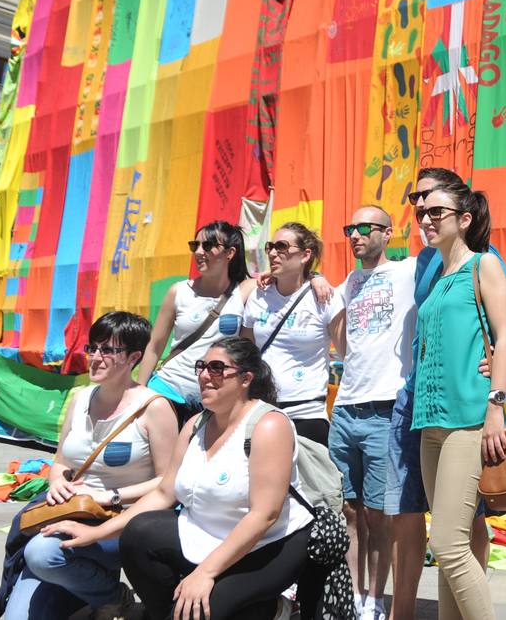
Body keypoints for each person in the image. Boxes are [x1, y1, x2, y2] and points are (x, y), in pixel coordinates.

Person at [47, 337, 323, 618]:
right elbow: (164, 494)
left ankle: (270, 608)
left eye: (216, 368)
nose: (205, 375)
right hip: (205, 535)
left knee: (198, 609)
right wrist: (95, 533)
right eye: (201, 367)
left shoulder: (269, 425)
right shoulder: (195, 425)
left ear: (245, 378)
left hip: (265, 546)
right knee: (138, 534)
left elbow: (264, 514)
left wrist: (205, 573)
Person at [385, 167, 506, 620]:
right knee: (451, 548)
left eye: (436, 210)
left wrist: (496, 406)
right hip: (430, 424)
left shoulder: (482, 262)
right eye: (421, 210)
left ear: (464, 218)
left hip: (469, 419)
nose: (425, 217)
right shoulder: (437, 272)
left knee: (447, 544)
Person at [4, 312, 178, 620]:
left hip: (122, 523)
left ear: (134, 357)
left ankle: (113, 597)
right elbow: (60, 461)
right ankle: (93, 587)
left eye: (108, 350)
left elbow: (168, 482)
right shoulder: (80, 398)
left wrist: (110, 496)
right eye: (93, 347)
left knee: (41, 553)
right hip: (69, 514)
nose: (95, 357)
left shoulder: (155, 408)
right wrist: (56, 481)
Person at [330, 205, 418, 620]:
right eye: (351, 228)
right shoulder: (348, 282)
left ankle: (375, 600)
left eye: (365, 228)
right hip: (345, 407)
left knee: (379, 512)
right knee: (347, 509)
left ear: (388, 233)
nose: (355, 235)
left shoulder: (409, 271)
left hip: (386, 409)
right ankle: (352, 594)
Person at [137, 222, 256, 425]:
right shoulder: (179, 291)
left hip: (213, 399)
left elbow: (288, 278)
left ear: (230, 253)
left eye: (208, 246)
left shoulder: (245, 291)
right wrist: (139, 393)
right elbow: (155, 346)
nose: (199, 252)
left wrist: (316, 278)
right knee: (162, 456)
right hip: (167, 389)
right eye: (195, 246)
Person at [241, 222, 345, 445]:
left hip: (307, 414)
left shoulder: (325, 297)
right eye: (270, 246)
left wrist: (316, 276)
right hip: (261, 411)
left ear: (305, 254)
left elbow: (348, 355)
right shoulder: (258, 296)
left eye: (282, 246)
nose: (272, 252)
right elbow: (246, 355)